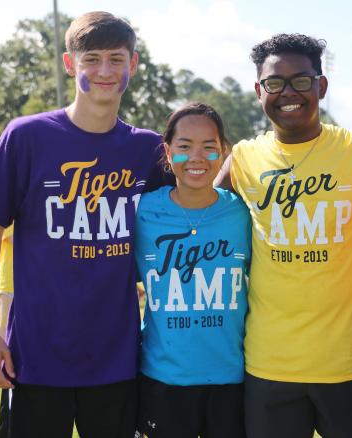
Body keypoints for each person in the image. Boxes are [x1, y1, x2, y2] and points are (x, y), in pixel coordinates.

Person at [0, 12, 171, 438]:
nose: (104, 71)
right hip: (34, 359)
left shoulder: (150, 150)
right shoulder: (26, 137)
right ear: (69, 63)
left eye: (116, 59)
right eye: (91, 59)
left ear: (133, 65)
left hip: (118, 361)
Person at [216, 33, 352, 437]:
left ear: (322, 85)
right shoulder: (243, 160)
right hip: (270, 362)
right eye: (274, 83)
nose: (288, 92)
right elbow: (203, 219)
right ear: (259, 91)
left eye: (300, 80)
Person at [134, 102, 250, 438]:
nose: (196, 157)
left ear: (223, 151)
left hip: (231, 380)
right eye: (184, 146)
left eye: (208, 147)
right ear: (168, 153)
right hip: (164, 381)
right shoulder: (142, 212)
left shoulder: (243, 214)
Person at [0, 224, 13, 340]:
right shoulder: (9, 222)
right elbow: (18, 242)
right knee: (5, 323)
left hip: (25, 280)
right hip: (8, 280)